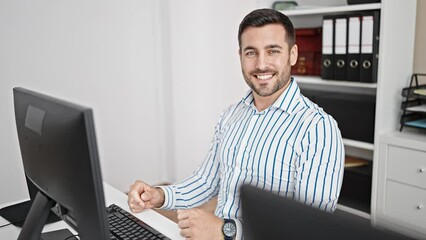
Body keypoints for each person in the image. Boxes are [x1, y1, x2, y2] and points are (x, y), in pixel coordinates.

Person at [128, 8, 344, 240]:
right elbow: (206, 182)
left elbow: (308, 231)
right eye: (251, 53)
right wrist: (159, 195)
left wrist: (226, 231)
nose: (261, 64)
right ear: (240, 55)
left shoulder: (318, 130)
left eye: (273, 51)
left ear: (292, 55)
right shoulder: (231, 116)